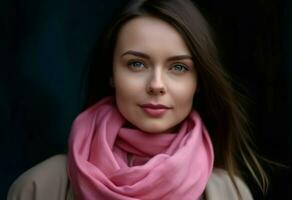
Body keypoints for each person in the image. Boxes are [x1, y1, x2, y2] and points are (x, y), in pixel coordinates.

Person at [7, 0, 269, 199]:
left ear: (198, 82)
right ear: (111, 74)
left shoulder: (228, 193)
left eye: (178, 68)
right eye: (136, 64)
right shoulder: (39, 187)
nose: (156, 85)